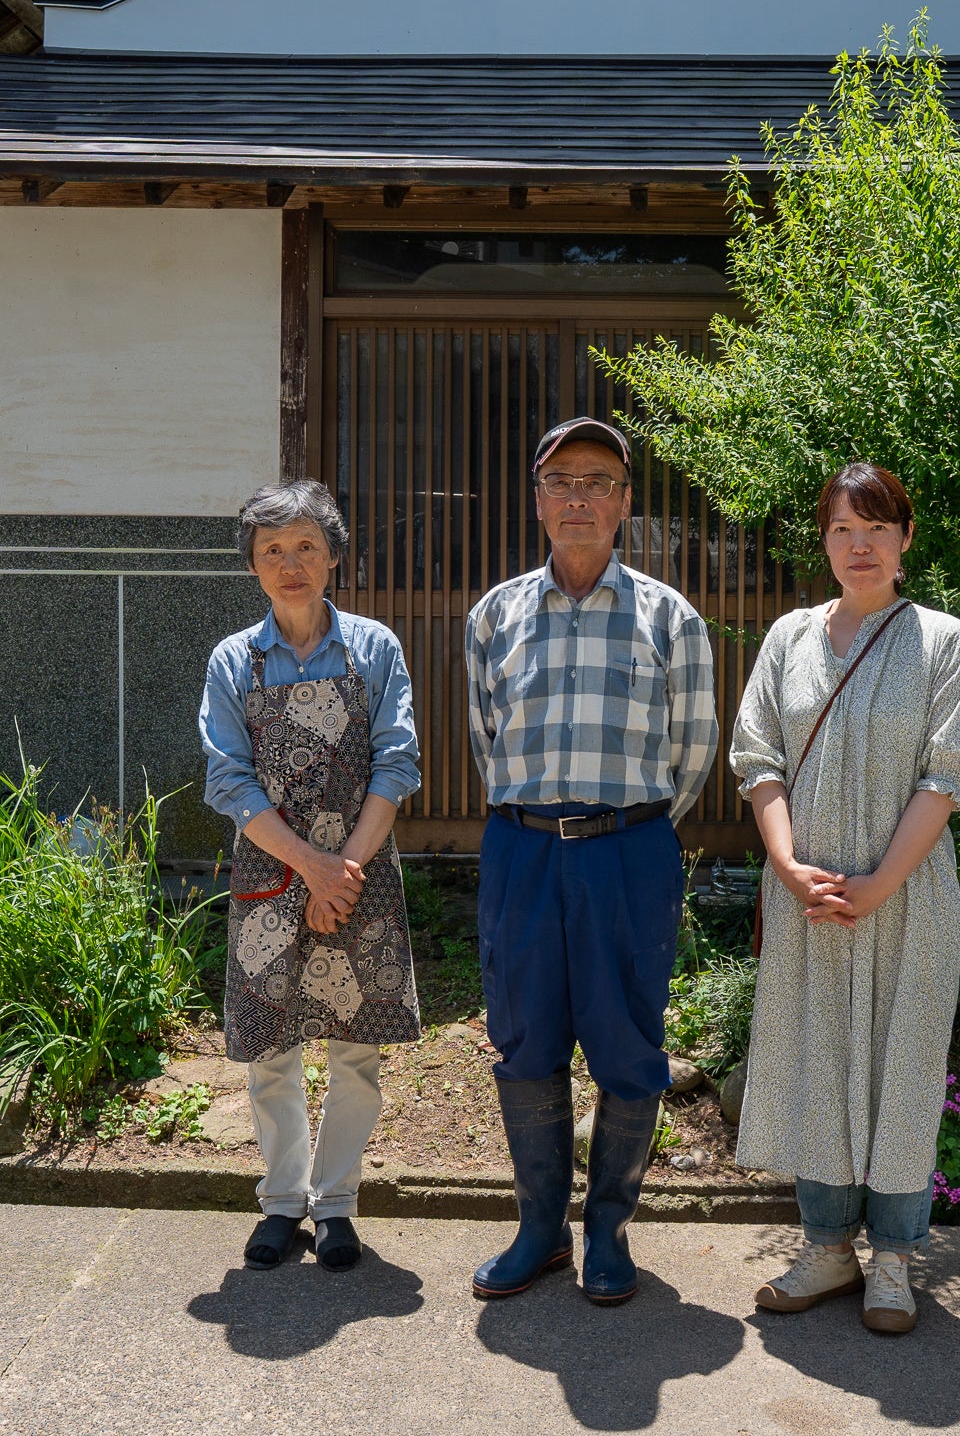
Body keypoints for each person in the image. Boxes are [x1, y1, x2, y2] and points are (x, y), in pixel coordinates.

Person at [464, 417, 718, 1305]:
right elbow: (487, 739)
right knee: (524, 1040)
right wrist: (539, 821)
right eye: (561, 480)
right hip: (523, 851)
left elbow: (693, 752)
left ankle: (608, 1228)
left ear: (624, 502)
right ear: (537, 500)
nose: (579, 497)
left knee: (628, 1044)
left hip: (628, 855)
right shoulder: (494, 615)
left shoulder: (670, 619)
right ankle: (540, 1230)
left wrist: (630, 831)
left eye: (598, 481)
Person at [732, 463, 960, 1336]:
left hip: (908, 900)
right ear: (825, 541)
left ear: (906, 538)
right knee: (818, 1063)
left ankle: (894, 1263)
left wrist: (878, 884)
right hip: (809, 898)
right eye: (843, 528)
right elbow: (758, 758)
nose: (860, 545)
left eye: (877, 527)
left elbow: (947, 777)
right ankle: (827, 1249)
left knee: (902, 1067)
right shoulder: (789, 638)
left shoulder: (943, 642)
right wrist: (785, 862)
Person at [199, 477, 424, 1272]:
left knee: (356, 1048)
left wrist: (343, 871)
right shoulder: (236, 659)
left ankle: (336, 1205)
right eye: (272, 550)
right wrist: (314, 869)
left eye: (305, 546)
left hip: (361, 872)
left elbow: (397, 763)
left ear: (333, 557)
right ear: (252, 565)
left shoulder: (375, 648)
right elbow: (229, 779)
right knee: (272, 1048)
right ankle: (281, 1201)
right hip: (271, 871)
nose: (289, 564)